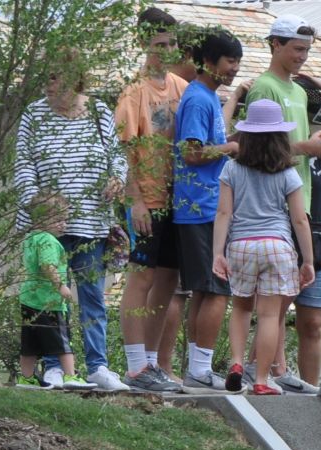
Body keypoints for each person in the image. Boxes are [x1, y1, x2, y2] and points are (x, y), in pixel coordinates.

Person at [243, 18, 321, 392]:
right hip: (274, 203)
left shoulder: (299, 92)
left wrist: (314, 141)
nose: (302, 58)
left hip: (302, 201)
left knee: (290, 295)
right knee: (277, 298)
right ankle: (259, 368)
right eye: (297, 49)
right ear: (275, 44)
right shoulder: (263, 87)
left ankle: (273, 369)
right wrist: (306, 147)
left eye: (307, 51)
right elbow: (256, 148)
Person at [14, 53, 129, 391]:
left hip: (91, 222)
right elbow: (22, 164)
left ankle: (98, 367)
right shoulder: (34, 113)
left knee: (92, 295)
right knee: (49, 296)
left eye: (54, 78)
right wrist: (36, 204)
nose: (48, 85)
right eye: (46, 77)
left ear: (74, 79)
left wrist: (117, 178)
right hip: (47, 227)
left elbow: (116, 156)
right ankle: (53, 368)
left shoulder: (98, 112)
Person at [211, 99, 311, 396]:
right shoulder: (288, 173)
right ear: (281, 136)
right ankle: (262, 379)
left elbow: (224, 213)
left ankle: (238, 363)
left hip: (241, 245)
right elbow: (299, 220)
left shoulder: (231, 169)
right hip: (277, 246)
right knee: (269, 315)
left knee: (240, 308)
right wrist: (307, 259)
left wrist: (218, 252)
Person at [115, 7, 188, 393]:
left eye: (172, 43)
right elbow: (123, 150)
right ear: (143, 43)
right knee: (141, 277)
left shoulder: (180, 87)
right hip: (148, 198)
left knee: (169, 279)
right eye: (159, 44)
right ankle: (134, 365)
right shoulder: (134, 92)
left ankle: (154, 361)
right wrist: (137, 201)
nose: (167, 50)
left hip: (180, 201)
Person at [173, 26, 241, 390]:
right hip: (201, 207)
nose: (234, 68)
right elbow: (192, 153)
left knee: (205, 289)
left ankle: (197, 367)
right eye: (230, 61)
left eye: (237, 62)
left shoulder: (209, 97)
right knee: (217, 289)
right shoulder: (199, 99)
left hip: (205, 207)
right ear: (209, 61)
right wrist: (231, 148)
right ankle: (199, 368)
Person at [16, 197, 92, 391]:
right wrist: (61, 286)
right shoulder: (48, 241)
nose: (64, 225)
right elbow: (48, 265)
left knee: (30, 343)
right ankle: (70, 375)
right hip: (49, 302)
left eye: (65, 220)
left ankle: (27, 377)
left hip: (28, 299)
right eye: (59, 220)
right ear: (42, 220)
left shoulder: (30, 238)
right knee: (62, 341)